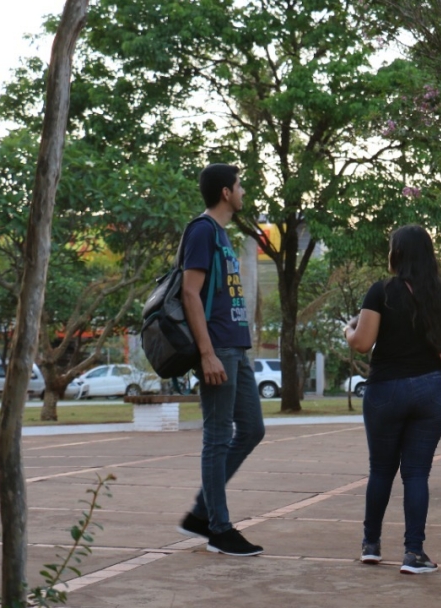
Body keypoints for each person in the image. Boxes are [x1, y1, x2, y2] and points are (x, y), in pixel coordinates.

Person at [344, 224, 441, 575]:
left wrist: (347, 328)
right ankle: (413, 554)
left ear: (395, 254)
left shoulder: (381, 292)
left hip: (385, 388)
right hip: (430, 391)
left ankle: (371, 546)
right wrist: (436, 365)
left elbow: (361, 342)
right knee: (416, 473)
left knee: (381, 470)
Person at [174, 163, 266, 557]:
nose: (243, 191)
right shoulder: (202, 230)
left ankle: (201, 512)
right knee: (217, 437)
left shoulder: (222, 235)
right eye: (240, 186)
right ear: (226, 193)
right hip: (219, 349)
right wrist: (207, 352)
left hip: (236, 348)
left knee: (251, 429)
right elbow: (190, 292)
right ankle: (219, 528)